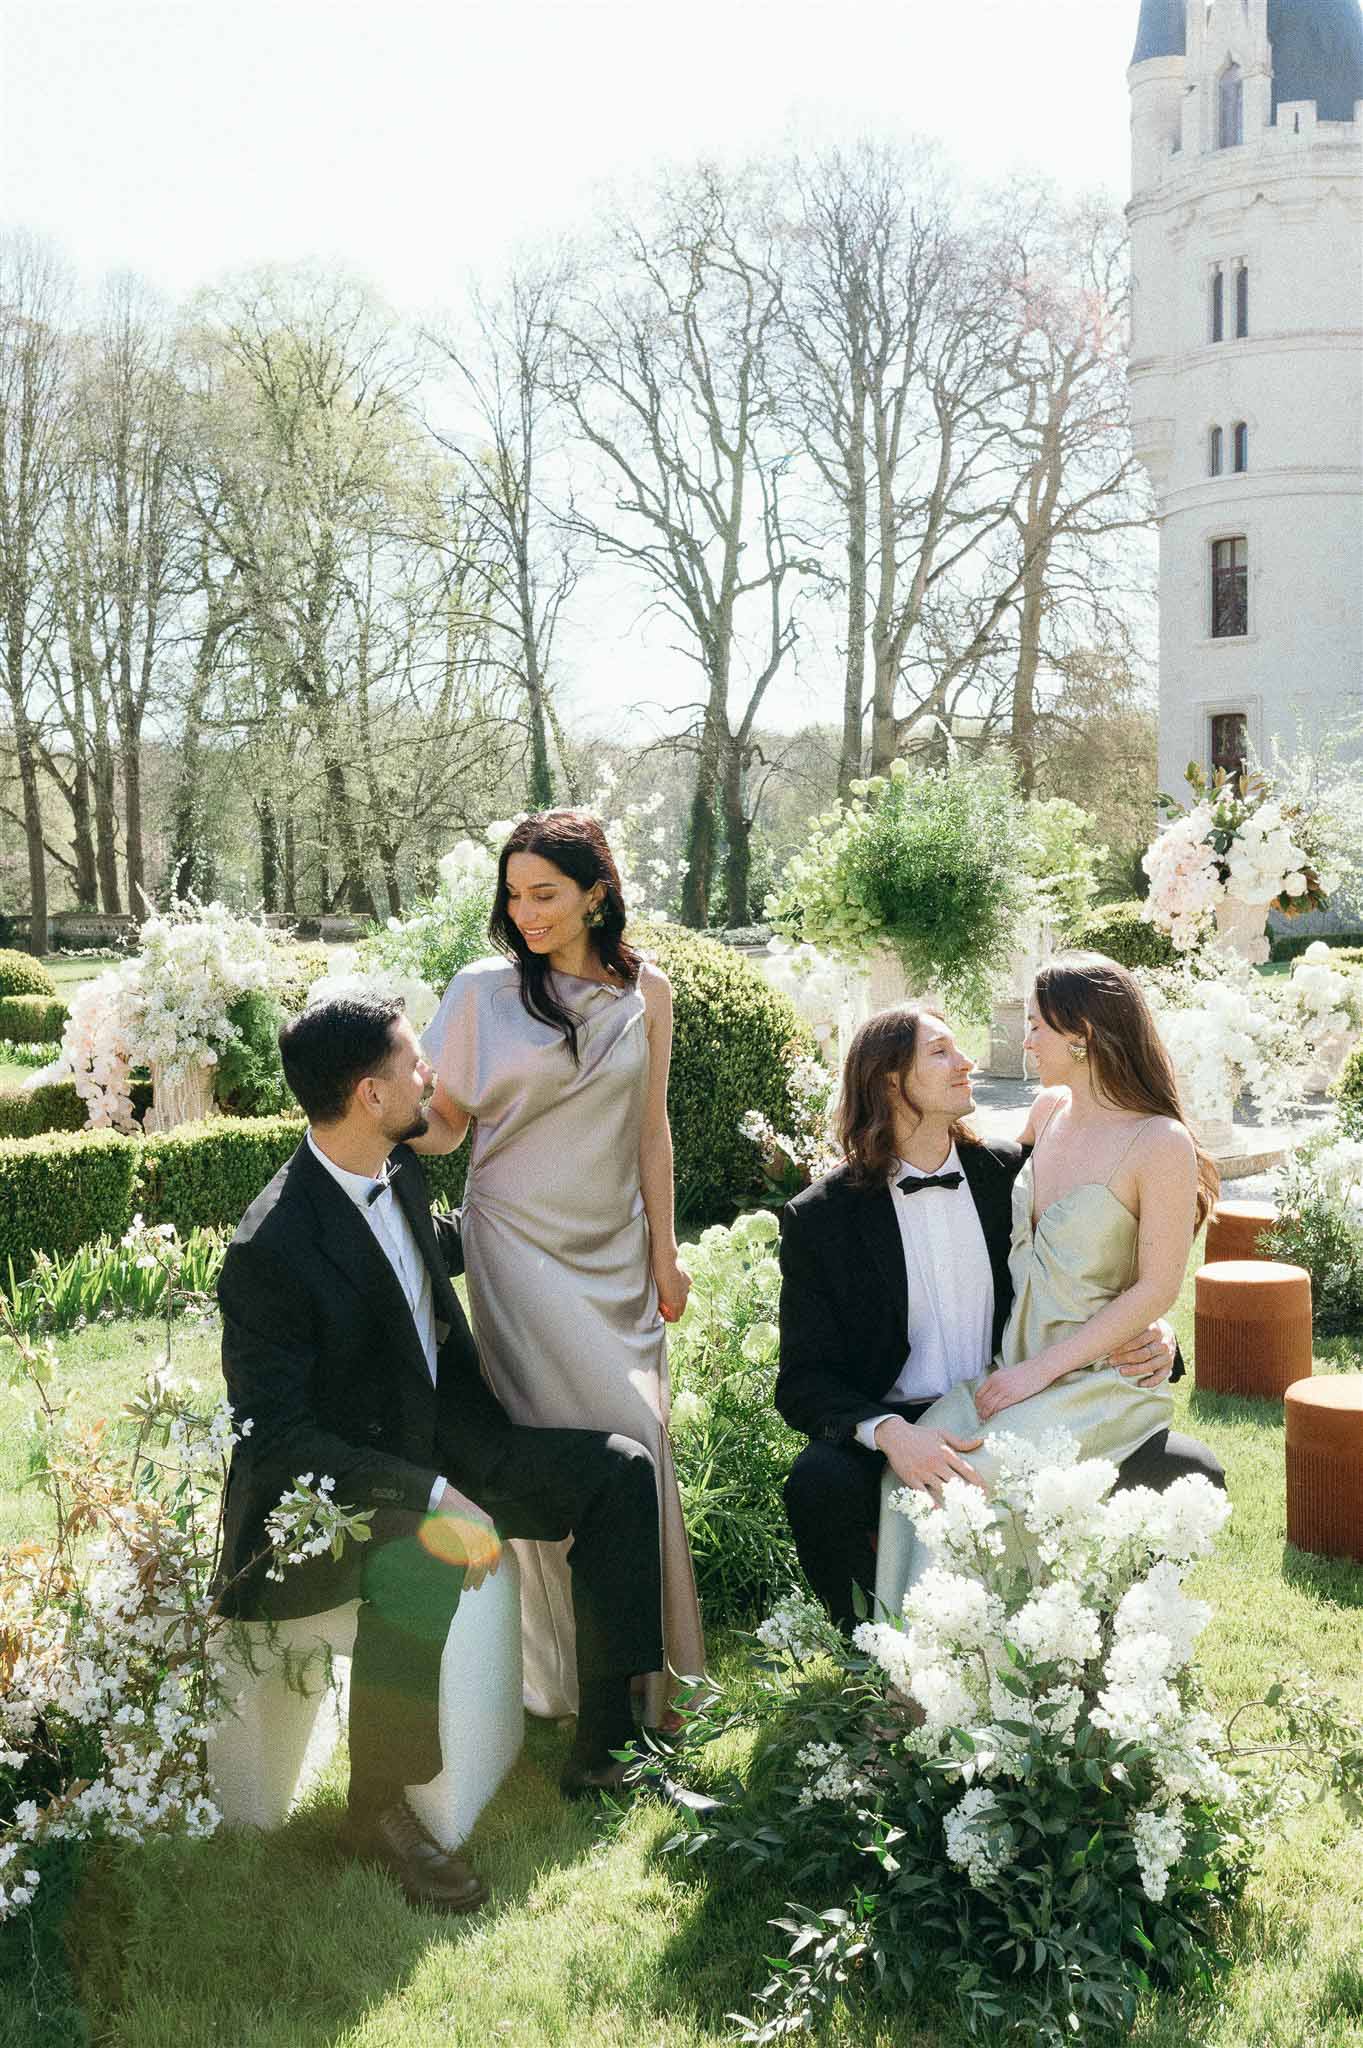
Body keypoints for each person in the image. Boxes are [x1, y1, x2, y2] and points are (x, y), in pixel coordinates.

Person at [216, 995, 712, 1920]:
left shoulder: (395, 1169)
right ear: (370, 1094)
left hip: (447, 1442)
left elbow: (433, 1273)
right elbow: (279, 1442)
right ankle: (379, 1810)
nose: (432, 1077)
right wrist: (432, 1491)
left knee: (618, 1469)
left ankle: (607, 1748)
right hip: (324, 1500)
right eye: (415, 1065)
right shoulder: (268, 1249)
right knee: (417, 1551)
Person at [777, 982, 1225, 1629]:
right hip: (899, 1418)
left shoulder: (1008, 1175)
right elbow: (803, 1379)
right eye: (940, 1052)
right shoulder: (821, 1219)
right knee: (819, 1483)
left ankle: (1098, 1643)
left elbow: (1088, 1264)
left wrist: (1159, 1336)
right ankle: (877, 1662)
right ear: (888, 1082)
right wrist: (891, 1434)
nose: (966, 1063)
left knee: (1189, 1469)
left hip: (1027, 1401)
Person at [416, 811, 704, 1729]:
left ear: (596, 892)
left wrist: (664, 1247)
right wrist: (356, 1111)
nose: (525, 912)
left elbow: (649, 1129)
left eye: (544, 893)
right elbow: (445, 1125)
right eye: (513, 894)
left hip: (615, 1254)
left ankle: (649, 1685)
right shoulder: (480, 992)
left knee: (641, 1448)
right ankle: (571, 1678)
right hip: (517, 1249)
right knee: (571, 1445)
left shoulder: (646, 992)